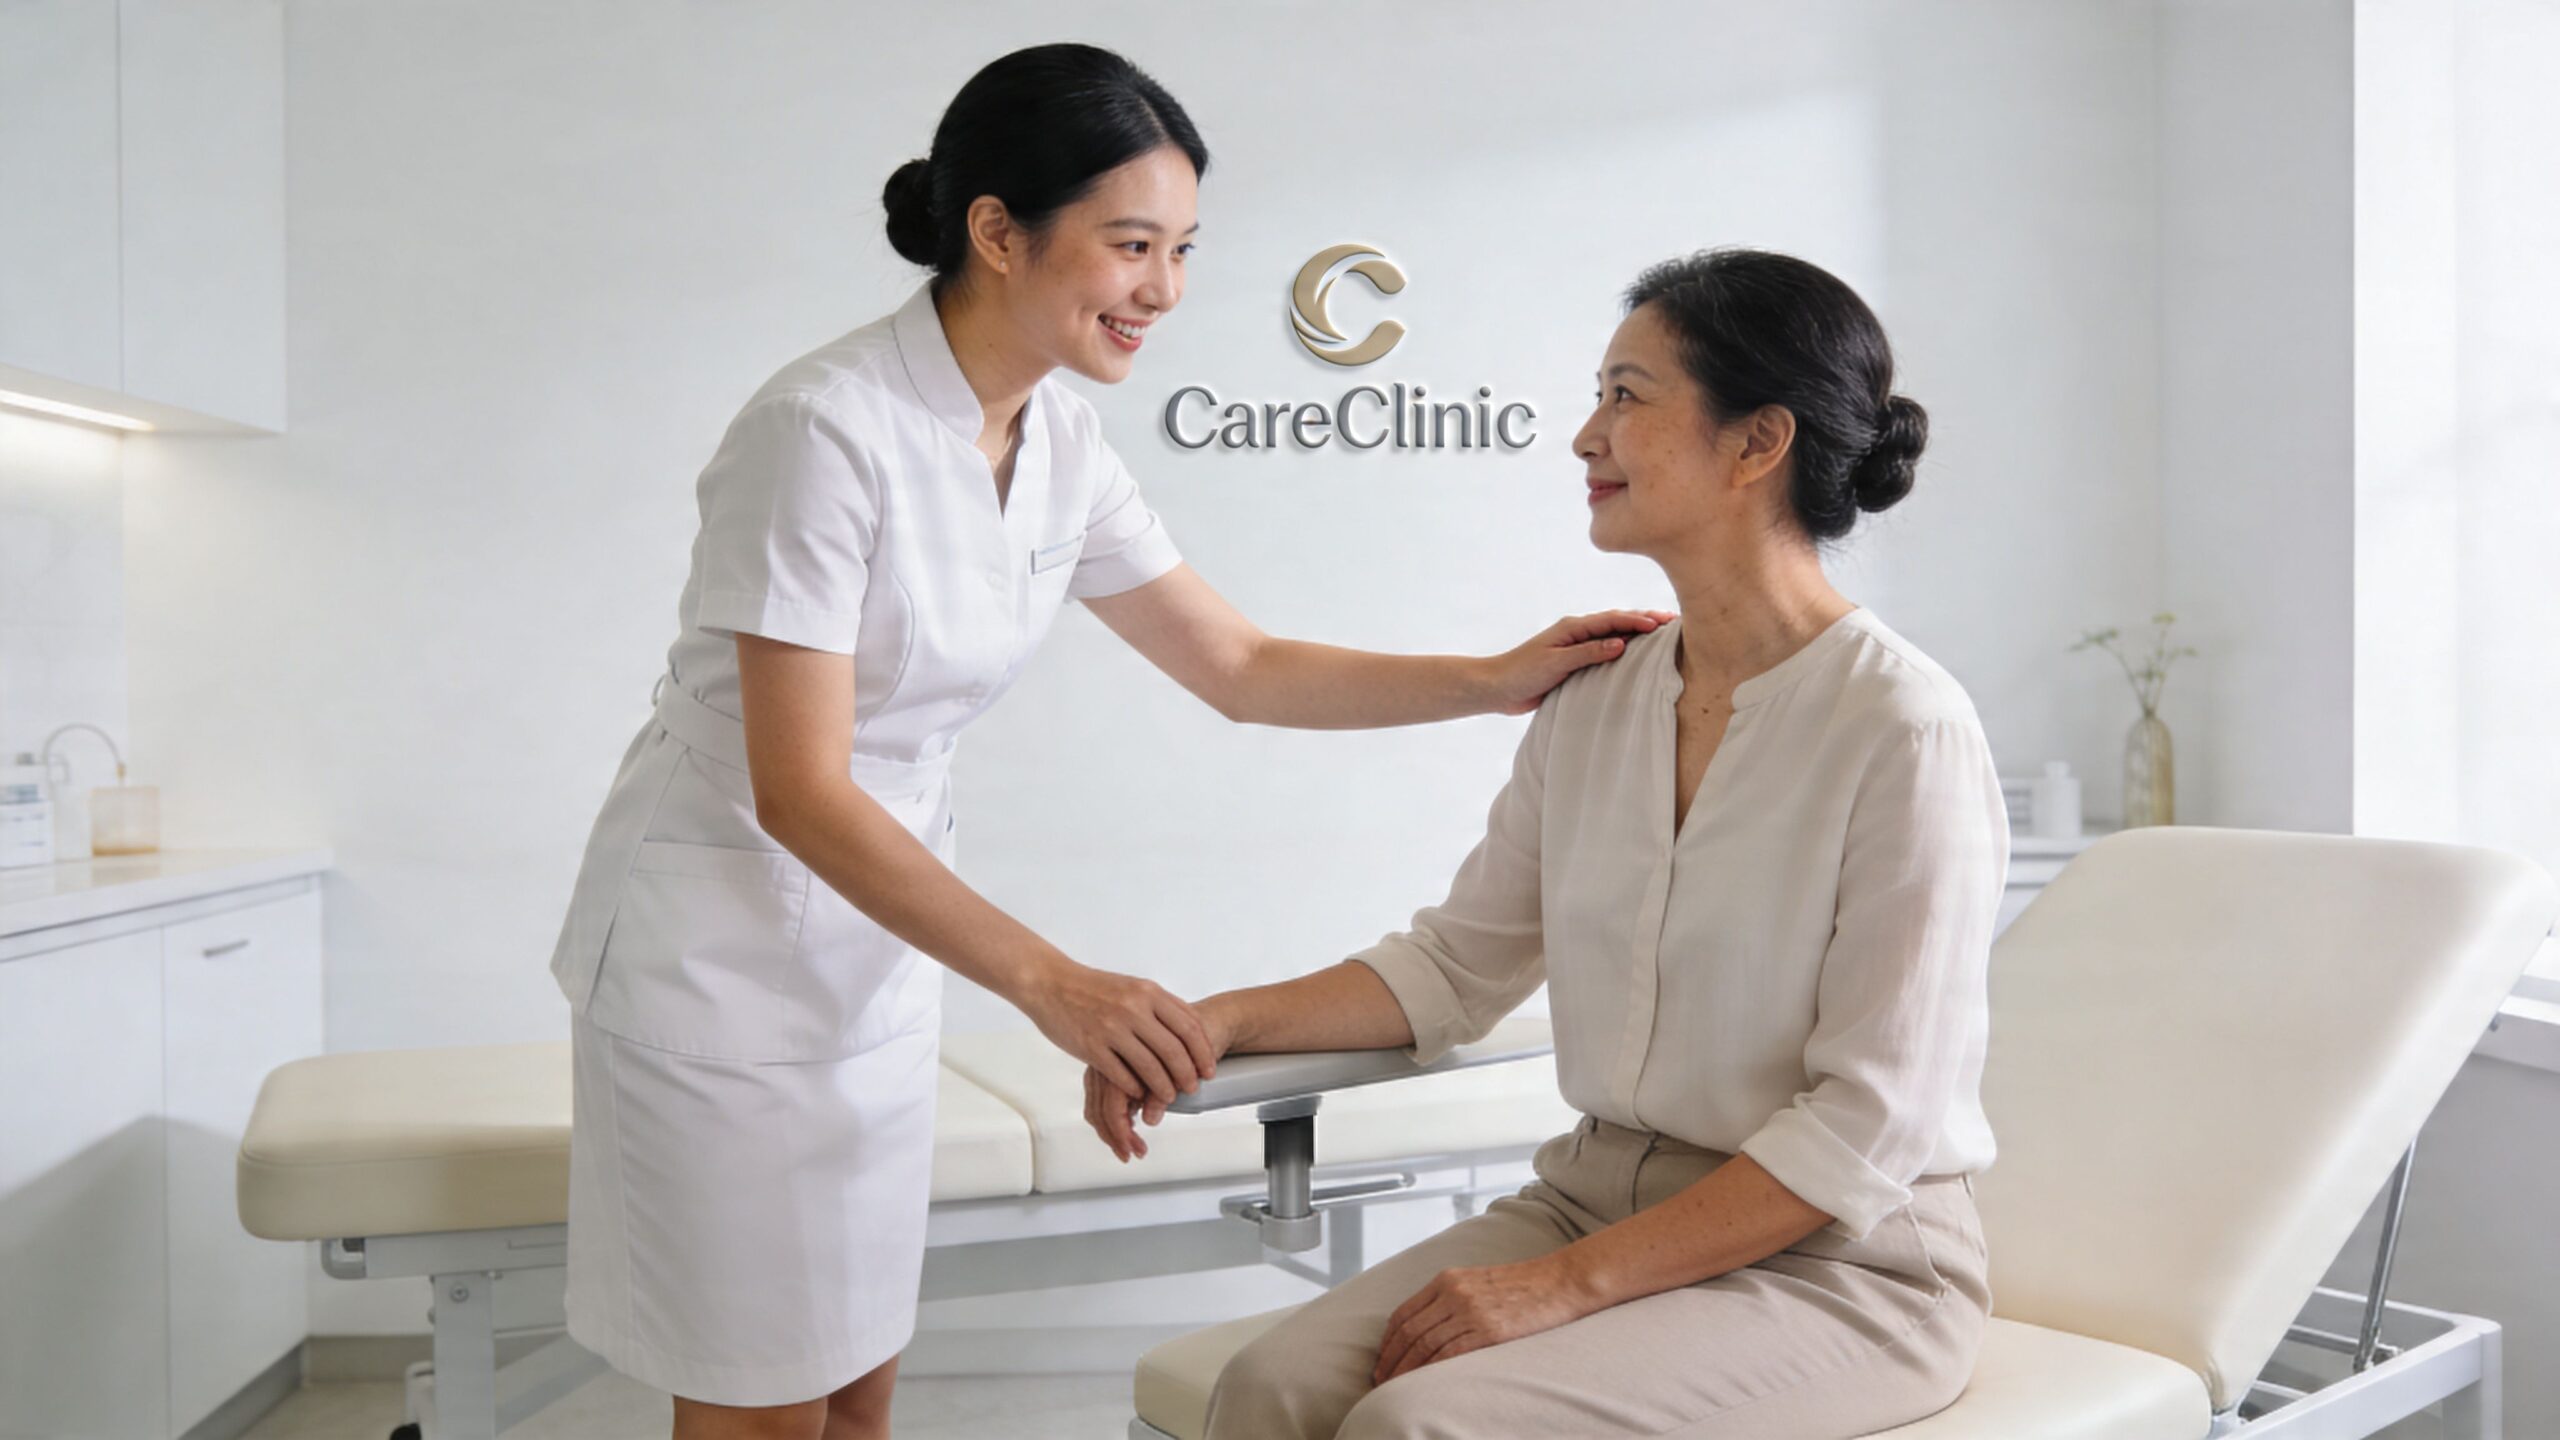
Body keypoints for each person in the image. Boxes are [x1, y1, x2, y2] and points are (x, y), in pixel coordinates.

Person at [543, 42, 1664, 1440]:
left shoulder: (1056, 444)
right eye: (1132, 245)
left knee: (856, 1385)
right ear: (998, 232)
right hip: (716, 965)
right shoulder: (821, 430)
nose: (1165, 291)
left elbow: (1240, 665)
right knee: (764, 1407)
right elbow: (801, 790)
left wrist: (1494, 676)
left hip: (874, 959)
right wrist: (1056, 986)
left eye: (1182, 249)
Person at [1087, 248, 2011, 1440]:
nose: (1584, 434)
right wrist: (1215, 1024)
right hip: (1588, 1202)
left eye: (1626, 396)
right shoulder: (1599, 695)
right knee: (1266, 1391)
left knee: (1417, 1425)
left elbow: (1863, 1128)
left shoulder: (1901, 726)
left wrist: (1561, 1290)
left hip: (1840, 1264)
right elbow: (1452, 968)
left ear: (1754, 442)